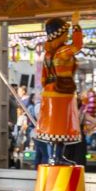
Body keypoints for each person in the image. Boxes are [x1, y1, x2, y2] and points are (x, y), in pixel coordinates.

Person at [35, 13, 83, 165]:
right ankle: (57, 157)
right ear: (59, 35)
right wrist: (76, 26)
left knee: (52, 127)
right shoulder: (62, 52)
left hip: (49, 91)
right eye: (66, 33)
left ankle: (53, 157)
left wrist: (48, 88)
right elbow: (77, 46)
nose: (68, 35)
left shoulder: (48, 54)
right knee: (60, 126)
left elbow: (43, 78)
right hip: (61, 93)